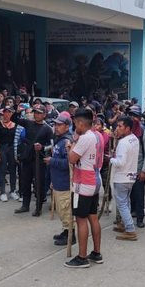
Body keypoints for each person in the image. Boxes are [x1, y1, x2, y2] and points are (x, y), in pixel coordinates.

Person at [64, 108, 105, 268]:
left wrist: (72, 144)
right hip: (95, 180)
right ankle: (96, 252)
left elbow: (72, 159)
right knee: (93, 217)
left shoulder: (85, 138)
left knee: (81, 220)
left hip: (83, 184)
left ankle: (82, 257)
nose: (75, 127)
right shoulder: (98, 135)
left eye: (75, 124)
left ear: (81, 123)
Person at [14, 105, 53, 216]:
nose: (37, 115)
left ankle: (38, 207)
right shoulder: (28, 123)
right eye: (35, 112)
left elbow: (51, 145)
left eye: (39, 113)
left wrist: (42, 147)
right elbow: (14, 119)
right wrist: (18, 112)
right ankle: (25, 205)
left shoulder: (47, 129)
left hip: (39, 160)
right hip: (27, 158)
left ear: (44, 115)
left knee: (39, 184)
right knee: (25, 182)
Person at [110, 116, 140, 241]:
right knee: (126, 202)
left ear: (127, 128)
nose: (118, 128)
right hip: (130, 175)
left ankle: (130, 229)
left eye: (120, 126)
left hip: (122, 176)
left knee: (122, 203)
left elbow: (120, 162)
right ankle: (125, 224)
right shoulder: (134, 139)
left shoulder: (123, 142)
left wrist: (111, 159)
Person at [46, 113, 73, 246]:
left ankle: (70, 234)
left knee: (66, 209)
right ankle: (65, 230)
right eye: (55, 124)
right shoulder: (59, 140)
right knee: (61, 210)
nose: (56, 127)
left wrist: (52, 161)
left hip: (64, 182)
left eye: (59, 125)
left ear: (67, 126)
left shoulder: (67, 142)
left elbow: (69, 163)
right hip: (57, 181)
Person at [127, 105, 145, 228]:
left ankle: (140, 217)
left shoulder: (144, 134)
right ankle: (131, 213)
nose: (132, 118)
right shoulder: (126, 132)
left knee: (139, 195)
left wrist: (143, 171)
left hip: (138, 169)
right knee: (128, 195)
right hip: (126, 170)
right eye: (130, 116)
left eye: (135, 116)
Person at [0, 106, 18, 201]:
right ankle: (2, 192)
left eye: (9, 112)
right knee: (2, 170)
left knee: (13, 170)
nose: (7, 114)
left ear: (12, 114)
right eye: (5, 112)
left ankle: (13, 190)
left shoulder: (15, 125)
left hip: (12, 148)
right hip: (2, 148)